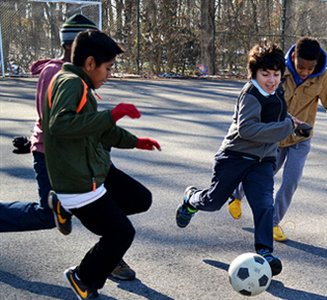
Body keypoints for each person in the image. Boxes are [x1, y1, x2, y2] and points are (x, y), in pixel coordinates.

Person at [0, 14, 135, 281]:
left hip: (87, 155)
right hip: (56, 158)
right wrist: (33, 145)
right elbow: (53, 121)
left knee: (122, 198)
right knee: (47, 216)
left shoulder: (82, 74)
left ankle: (110, 254)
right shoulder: (57, 73)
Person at [42, 29, 161, 299]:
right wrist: (113, 115)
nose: (109, 75)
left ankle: (66, 209)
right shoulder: (71, 83)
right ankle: (83, 277)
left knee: (140, 198)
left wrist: (135, 141)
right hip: (78, 181)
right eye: (108, 68)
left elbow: (95, 129)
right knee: (121, 234)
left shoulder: (79, 83)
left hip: (95, 169)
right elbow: (60, 125)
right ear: (90, 63)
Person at [175, 42, 301, 277]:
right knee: (213, 202)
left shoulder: (277, 92)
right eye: (265, 74)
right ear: (254, 73)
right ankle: (191, 198)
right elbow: (248, 130)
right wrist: (285, 127)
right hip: (235, 157)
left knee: (264, 204)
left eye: (276, 74)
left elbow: (279, 116)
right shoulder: (251, 95)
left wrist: (294, 124)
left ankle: (264, 252)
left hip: (262, 161)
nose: (272, 80)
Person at [228, 37, 327, 242]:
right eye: (301, 67)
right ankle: (236, 196)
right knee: (264, 172)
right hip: (276, 134)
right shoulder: (277, 71)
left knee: (291, 181)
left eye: (309, 68)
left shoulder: (324, 77)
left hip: (301, 138)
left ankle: (272, 222)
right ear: (293, 56)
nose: (304, 72)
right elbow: (256, 94)